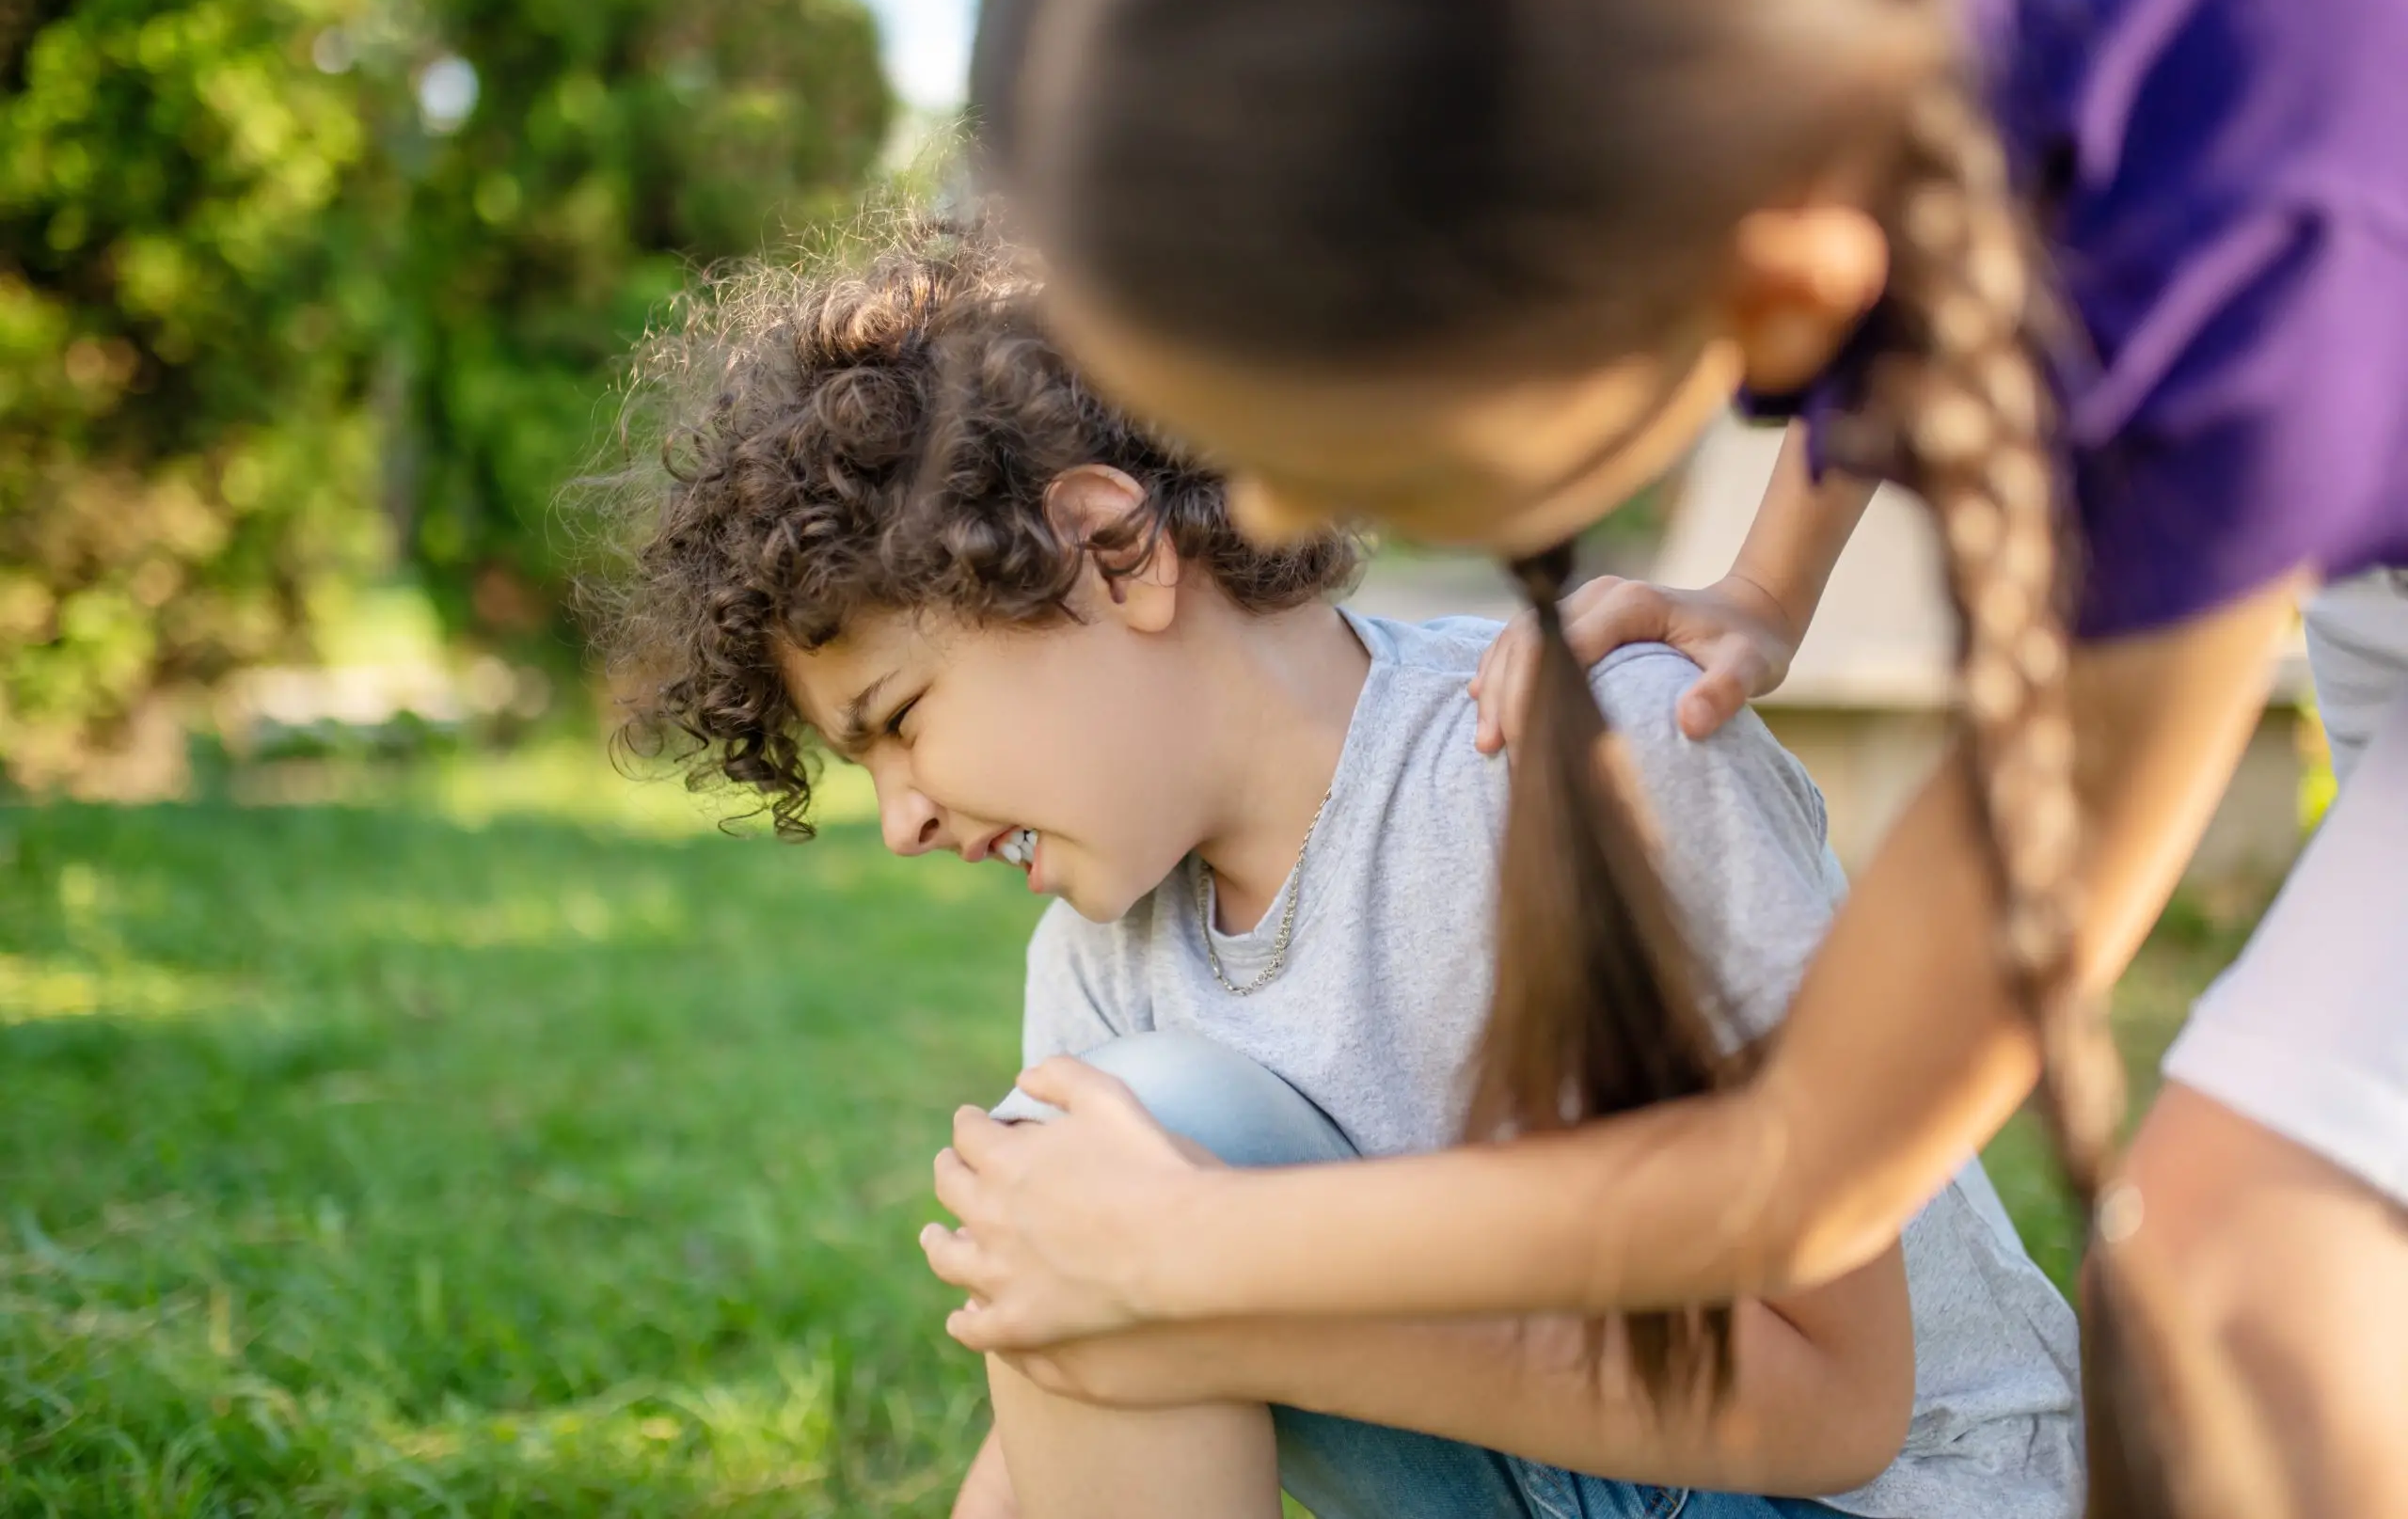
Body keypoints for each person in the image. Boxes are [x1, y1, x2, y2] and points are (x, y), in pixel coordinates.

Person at [927, 0, 2408, 1512]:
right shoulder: (1787, 40)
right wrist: (1769, 583)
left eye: (1370, 448)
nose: (1276, 510)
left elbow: (1814, 1164)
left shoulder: (2246, 215)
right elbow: (1914, 221)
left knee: (2250, 1270)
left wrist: (1189, 1247)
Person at [583, 215, 2084, 1519]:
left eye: (902, 720)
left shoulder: (1584, 755)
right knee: (1081, 1184)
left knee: (1130, 1196)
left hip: (1881, 1492)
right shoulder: (1103, 964)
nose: (902, 819)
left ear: (1110, 548)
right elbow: (1054, 1408)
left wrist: (1203, 1284)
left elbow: (1838, 1403)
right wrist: (1128, 1284)